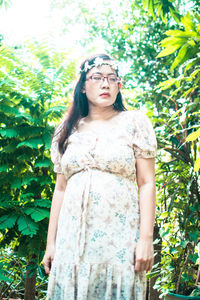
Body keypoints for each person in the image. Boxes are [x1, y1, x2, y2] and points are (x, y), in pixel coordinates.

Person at [42, 53, 157, 300]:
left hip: (119, 246)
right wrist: (51, 243)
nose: (105, 84)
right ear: (83, 86)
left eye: (111, 78)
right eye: (97, 77)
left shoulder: (135, 122)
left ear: (119, 85)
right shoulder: (66, 130)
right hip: (71, 245)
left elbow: (147, 182)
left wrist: (146, 239)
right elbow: (60, 189)